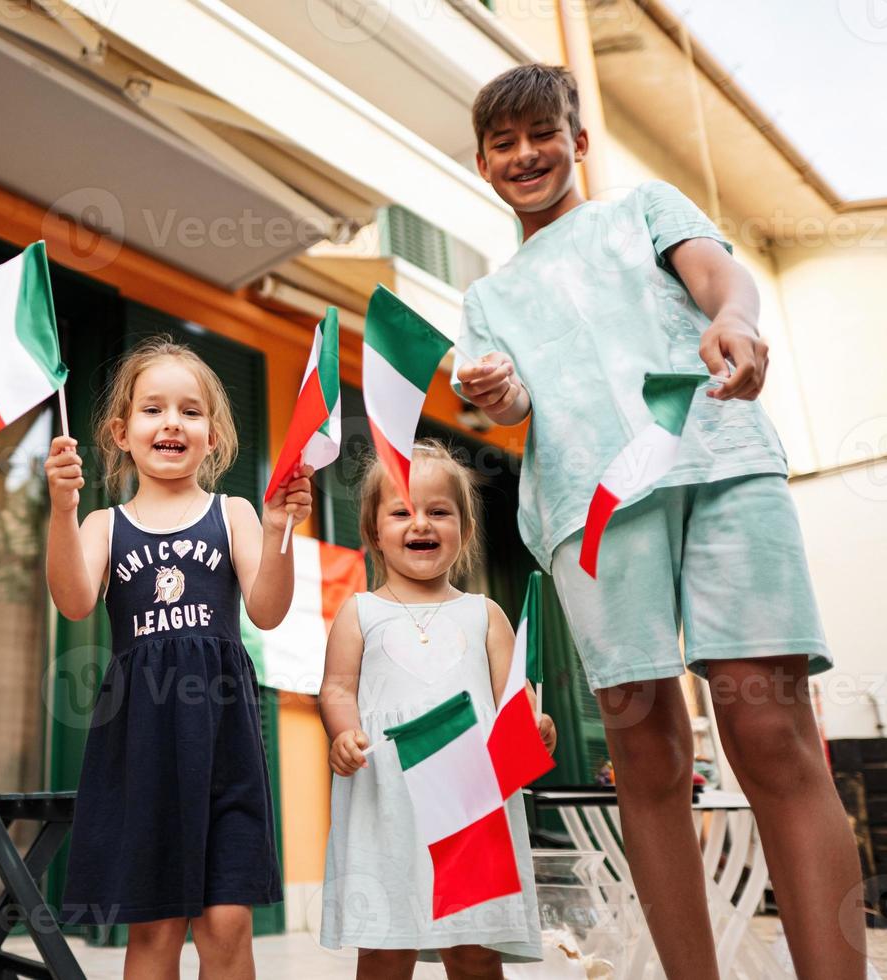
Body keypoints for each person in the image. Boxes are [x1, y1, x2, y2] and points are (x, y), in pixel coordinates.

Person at [456, 64, 863, 977]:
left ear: (578, 140)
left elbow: (723, 279)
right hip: (590, 510)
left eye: (542, 134)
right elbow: (514, 401)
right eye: (504, 142)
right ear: (482, 163)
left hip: (717, 459)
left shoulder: (643, 209)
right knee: (645, 755)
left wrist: (737, 323)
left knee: (770, 731)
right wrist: (494, 390)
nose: (526, 154)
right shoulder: (487, 299)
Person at [43, 336, 312, 979]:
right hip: (142, 747)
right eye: (153, 409)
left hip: (224, 744)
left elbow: (269, 610)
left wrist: (279, 533)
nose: (172, 423)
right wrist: (62, 510)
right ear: (121, 432)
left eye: (191, 412)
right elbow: (74, 601)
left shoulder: (234, 513)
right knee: (156, 927)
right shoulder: (106, 525)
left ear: (212, 436)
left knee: (227, 923)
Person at [320, 444, 555, 978]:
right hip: (386, 799)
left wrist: (537, 725)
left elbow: (515, 699)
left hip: (470, 804)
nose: (419, 523)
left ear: (465, 531)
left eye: (438, 511)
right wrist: (343, 733)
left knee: (474, 946)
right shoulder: (360, 612)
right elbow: (336, 687)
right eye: (401, 511)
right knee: (384, 944)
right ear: (374, 532)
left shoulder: (484, 614)